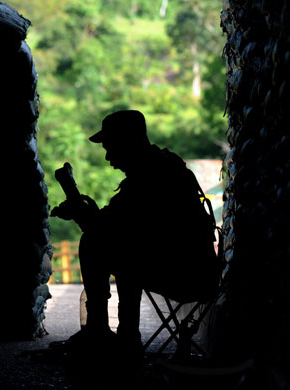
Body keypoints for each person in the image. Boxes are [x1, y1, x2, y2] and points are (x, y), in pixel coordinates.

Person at [51, 110, 218, 352]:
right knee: (121, 249)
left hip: (186, 275)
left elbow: (114, 229)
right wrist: (85, 213)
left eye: (111, 147)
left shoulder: (152, 177)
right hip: (192, 269)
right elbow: (121, 225)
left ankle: (109, 333)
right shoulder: (161, 168)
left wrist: (80, 212)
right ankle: (121, 335)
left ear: (127, 142)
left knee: (95, 245)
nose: (108, 157)